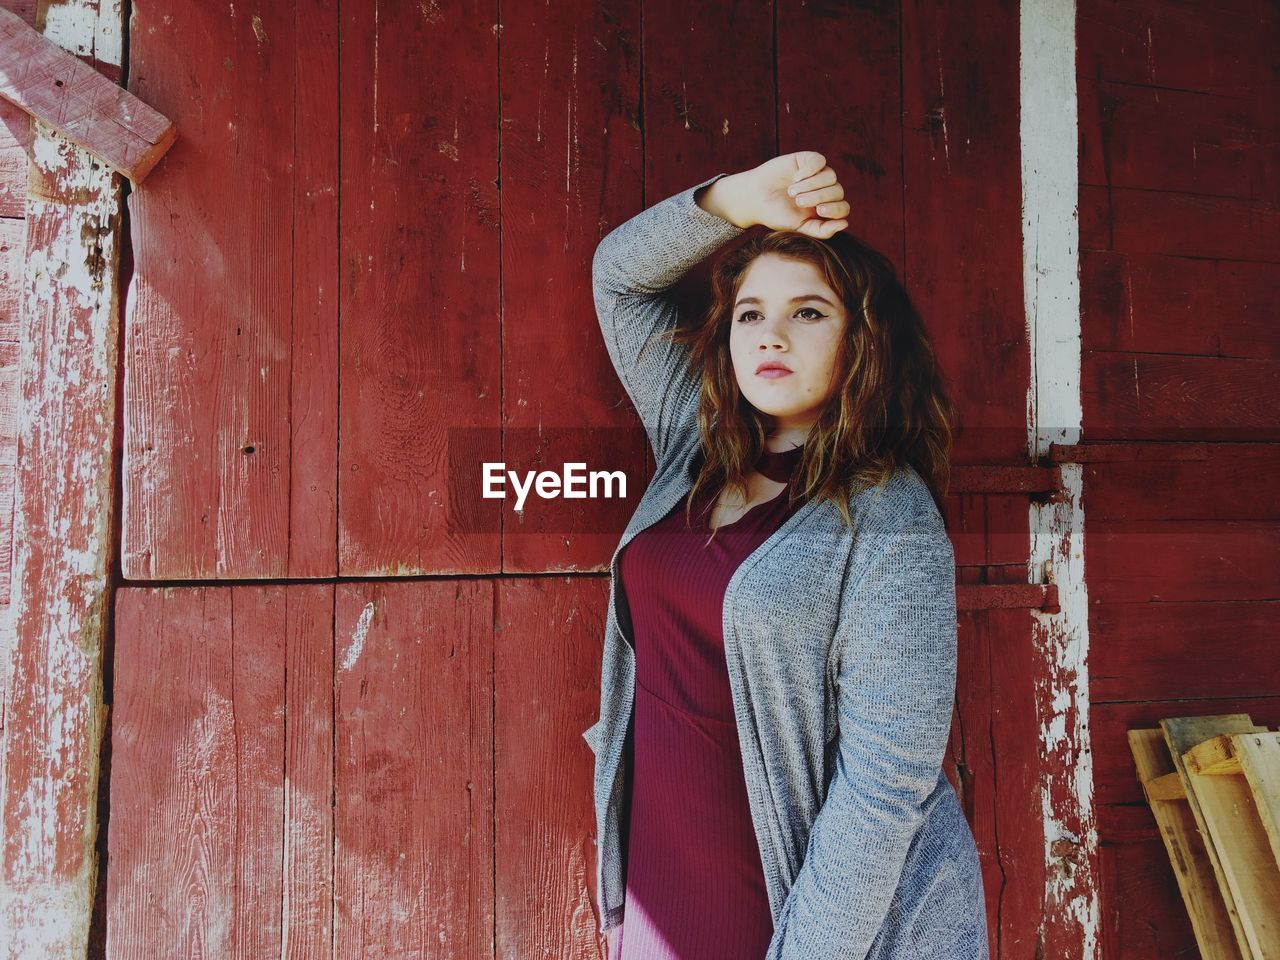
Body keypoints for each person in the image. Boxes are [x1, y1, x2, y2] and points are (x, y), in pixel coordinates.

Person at [582, 151, 990, 960]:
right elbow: (619, 279)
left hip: (794, 910)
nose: (770, 334)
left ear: (860, 342)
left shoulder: (890, 518)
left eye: (808, 313)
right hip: (662, 878)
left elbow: (885, 788)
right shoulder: (691, 445)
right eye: (749, 313)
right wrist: (734, 202)